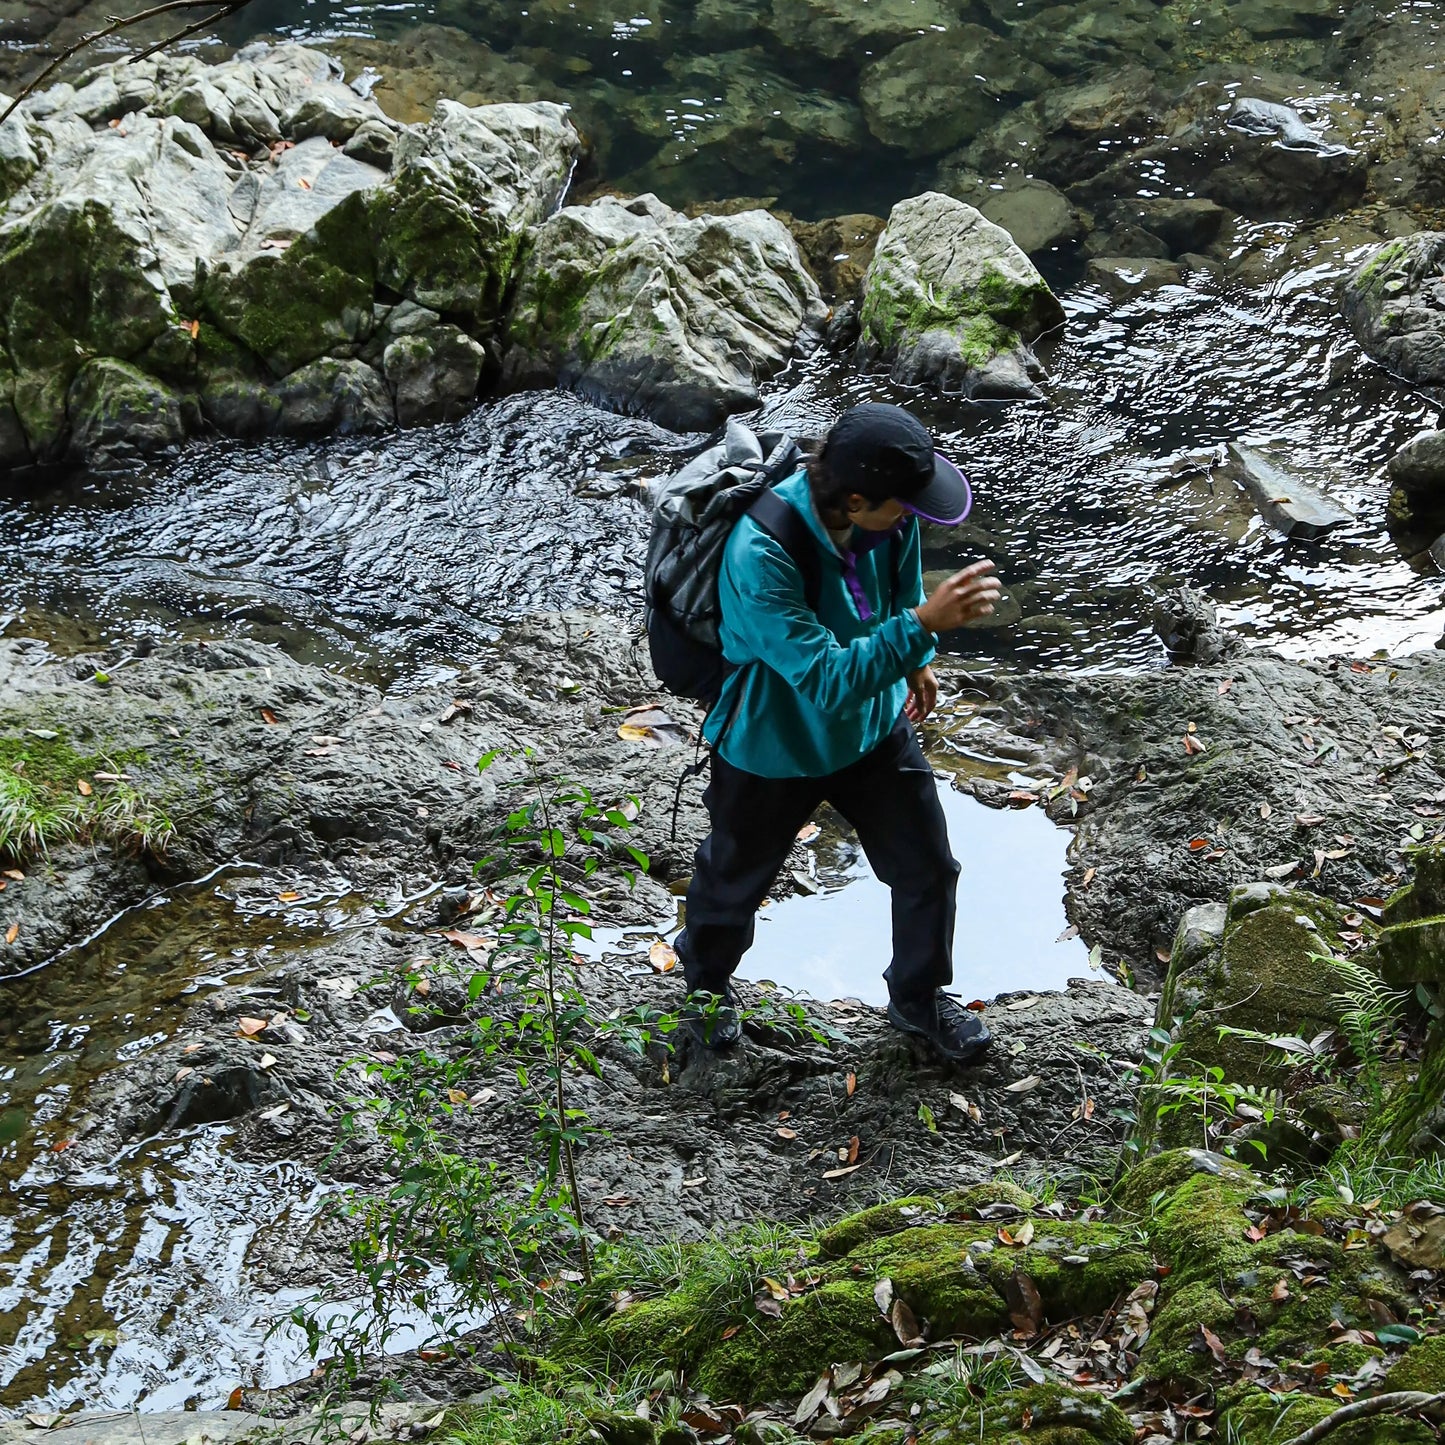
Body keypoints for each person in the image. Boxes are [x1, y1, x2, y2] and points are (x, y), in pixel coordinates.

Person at [675, 402, 1003, 1061]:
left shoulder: (890, 519)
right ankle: (706, 987)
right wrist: (921, 628)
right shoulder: (761, 551)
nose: (911, 518)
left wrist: (916, 658)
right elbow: (824, 678)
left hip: (872, 728)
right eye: (903, 507)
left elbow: (901, 589)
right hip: (772, 745)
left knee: (927, 867)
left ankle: (917, 996)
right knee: (733, 883)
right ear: (854, 499)